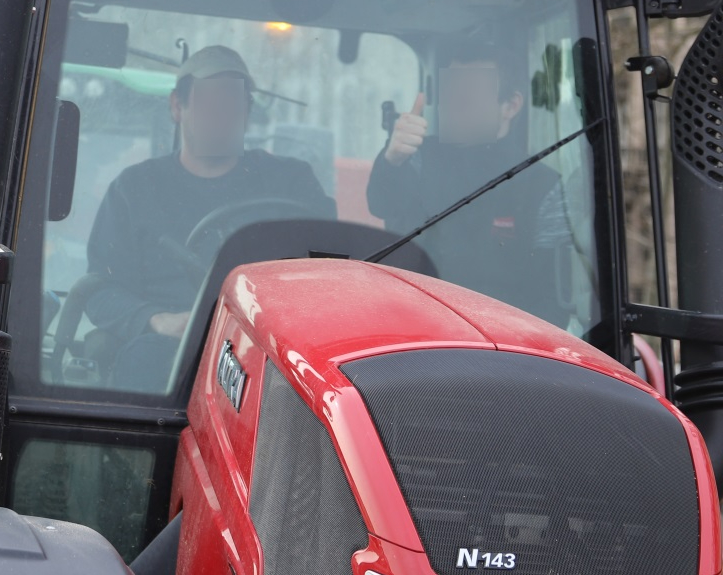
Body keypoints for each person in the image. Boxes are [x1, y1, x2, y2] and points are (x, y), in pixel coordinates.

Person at [85, 45, 336, 391]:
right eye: (209, 103)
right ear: (178, 106)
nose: (222, 114)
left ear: (246, 111)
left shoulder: (292, 183)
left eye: (232, 104)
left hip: (270, 349)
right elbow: (99, 290)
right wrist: (156, 320)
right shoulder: (134, 189)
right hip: (170, 350)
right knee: (144, 362)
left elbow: (330, 269)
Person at [366, 41, 572, 326]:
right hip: (408, 328)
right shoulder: (415, 155)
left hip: (501, 345)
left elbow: (552, 301)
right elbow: (381, 203)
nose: (454, 103)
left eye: (469, 94)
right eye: (451, 92)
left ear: (510, 105)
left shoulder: (542, 185)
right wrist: (392, 158)